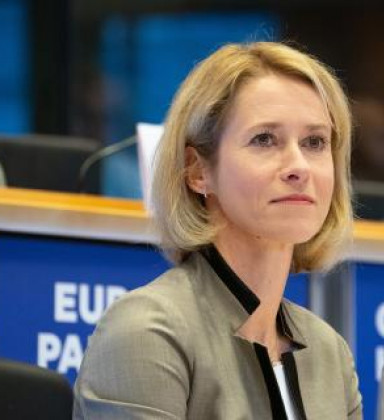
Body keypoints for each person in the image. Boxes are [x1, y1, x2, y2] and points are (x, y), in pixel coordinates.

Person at [73, 41, 363, 419]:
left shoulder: (330, 354)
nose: (299, 166)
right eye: (264, 139)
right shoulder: (147, 331)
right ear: (197, 171)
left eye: (315, 142)